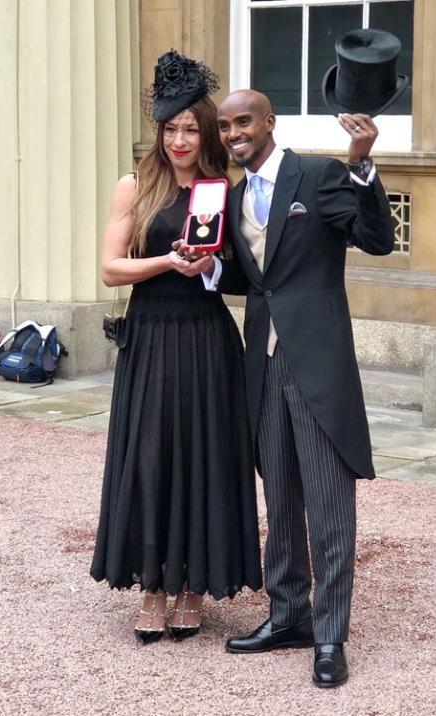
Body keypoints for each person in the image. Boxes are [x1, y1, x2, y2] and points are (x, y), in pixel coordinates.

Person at [183, 89, 395, 686]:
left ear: (269, 122)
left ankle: (329, 635)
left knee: (328, 504)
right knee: (279, 495)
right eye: (224, 127)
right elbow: (247, 276)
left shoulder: (320, 175)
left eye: (243, 121)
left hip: (318, 361)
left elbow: (376, 239)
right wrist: (207, 267)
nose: (232, 134)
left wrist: (360, 163)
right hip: (264, 363)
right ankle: (288, 614)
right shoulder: (228, 196)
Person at [90, 53, 262, 643]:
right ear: (158, 132)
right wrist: (167, 261)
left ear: (206, 131)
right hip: (152, 335)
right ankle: (153, 587)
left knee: (205, 453)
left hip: (207, 337)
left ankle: (193, 586)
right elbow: (110, 270)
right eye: (171, 128)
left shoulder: (224, 190)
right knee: (151, 457)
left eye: (191, 128)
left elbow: (245, 271)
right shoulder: (135, 186)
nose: (181, 139)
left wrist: (213, 264)